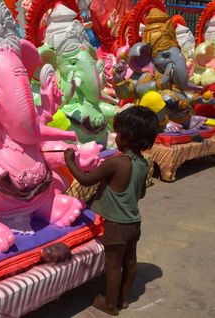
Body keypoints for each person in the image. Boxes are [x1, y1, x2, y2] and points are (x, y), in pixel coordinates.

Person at [64, 106, 159, 315]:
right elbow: (141, 193)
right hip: (134, 222)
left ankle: (109, 305)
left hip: (116, 225)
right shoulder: (142, 163)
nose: (115, 137)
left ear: (127, 137)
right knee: (130, 261)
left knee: (113, 265)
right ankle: (124, 299)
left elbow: (86, 180)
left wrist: (70, 161)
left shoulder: (115, 162)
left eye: (118, 133)